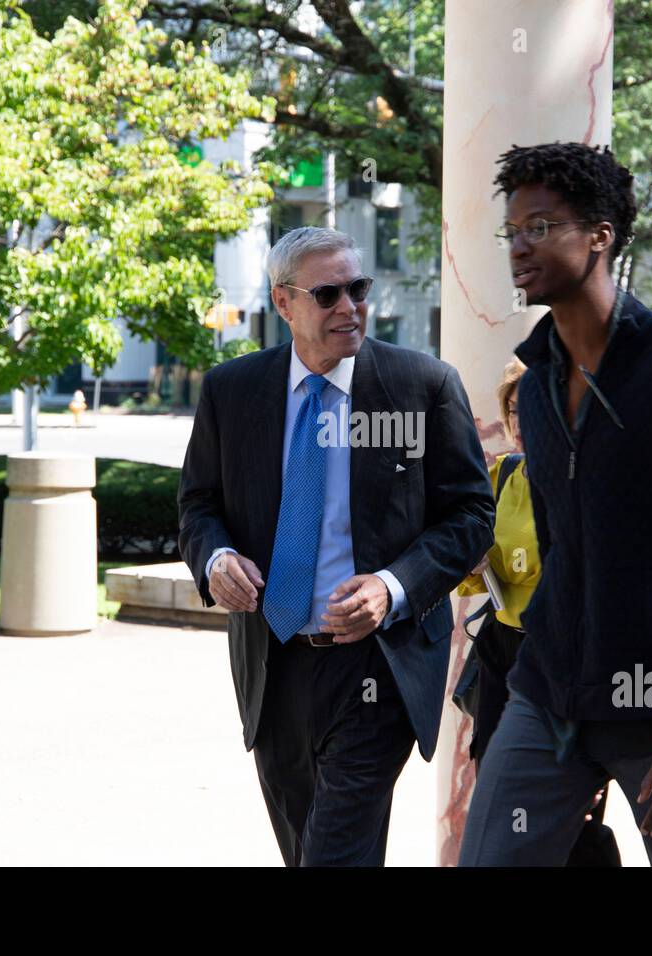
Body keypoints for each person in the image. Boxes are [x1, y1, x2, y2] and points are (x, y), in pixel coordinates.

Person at [458, 142, 652, 867]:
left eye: (540, 225)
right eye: (512, 231)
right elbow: (563, 547)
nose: (519, 246)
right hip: (548, 691)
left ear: (601, 235)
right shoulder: (534, 380)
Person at [178, 226, 495, 866]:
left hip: (378, 662)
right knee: (306, 852)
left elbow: (469, 514)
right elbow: (198, 505)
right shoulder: (232, 390)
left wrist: (392, 585)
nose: (349, 306)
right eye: (328, 294)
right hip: (275, 663)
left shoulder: (422, 386)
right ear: (284, 302)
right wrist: (215, 560)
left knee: (333, 855)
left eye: (358, 288)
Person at [456, 358, 621, 867]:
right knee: (496, 793)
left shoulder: (594, 481)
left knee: (566, 804)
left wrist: (515, 563)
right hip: (503, 653)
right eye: (513, 407)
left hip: (569, 656)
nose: (522, 419)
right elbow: (467, 578)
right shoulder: (503, 473)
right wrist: (474, 561)